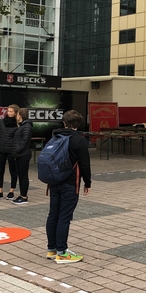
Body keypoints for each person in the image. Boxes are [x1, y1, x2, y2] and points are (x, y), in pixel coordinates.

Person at [46, 110, 91, 263]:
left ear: (64, 122)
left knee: (53, 215)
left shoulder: (55, 136)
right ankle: (62, 252)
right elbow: (85, 164)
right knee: (64, 217)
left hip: (54, 181)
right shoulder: (79, 140)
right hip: (71, 183)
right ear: (78, 124)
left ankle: (51, 249)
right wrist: (88, 182)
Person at [11, 108, 33, 205]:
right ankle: (22, 194)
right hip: (19, 154)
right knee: (20, 175)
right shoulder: (22, 126)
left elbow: (24, 141)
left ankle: (24, 196)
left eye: (17, 114)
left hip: (23, 154)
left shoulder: (27, 126)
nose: (16, 116)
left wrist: (16, 150)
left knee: (23, 175)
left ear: (20, 115)